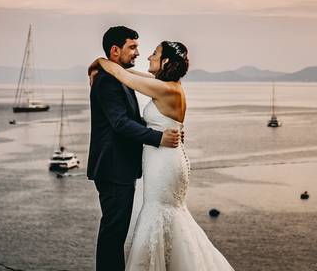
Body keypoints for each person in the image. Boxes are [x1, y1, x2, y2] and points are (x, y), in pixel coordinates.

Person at [91, 39, 235, 271]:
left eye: (154, 54)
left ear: (165, 61)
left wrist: (98, 61)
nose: (148, 57)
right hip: (165, 158)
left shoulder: (165, 88)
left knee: (160, 213)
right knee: (166, 215)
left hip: (164, 162)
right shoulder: (168, 84)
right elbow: (131, 74)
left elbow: (123, 76)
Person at [88, 26, 182, 271]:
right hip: (113, 168)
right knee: (113, 233)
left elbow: (133, 119)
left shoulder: (120, 76)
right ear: (115, 50)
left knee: (116, 232)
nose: (138, 53)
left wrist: (164, 127)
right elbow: (120, 124)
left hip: (120, 168)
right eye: (133, 47)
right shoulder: (108, 81)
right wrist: (158, 137)